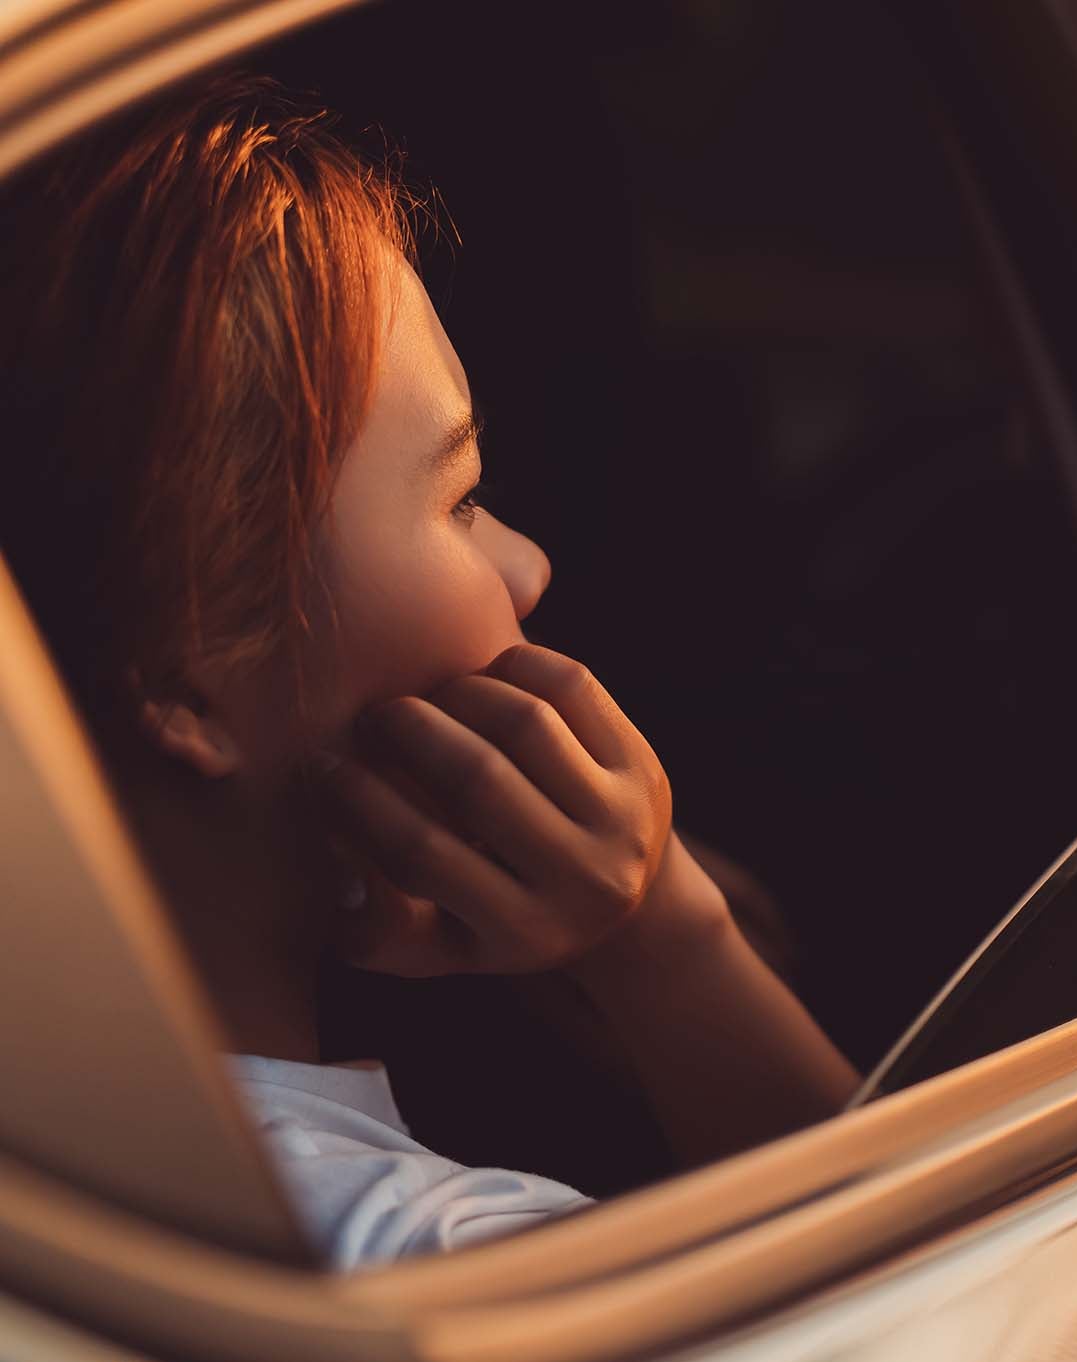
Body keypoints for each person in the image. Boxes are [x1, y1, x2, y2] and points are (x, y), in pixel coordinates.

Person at [0, 76, 860, 1267]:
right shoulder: (428, 1259)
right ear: (187, 679)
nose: (531, 566)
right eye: (459, 501)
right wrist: (667, 951)